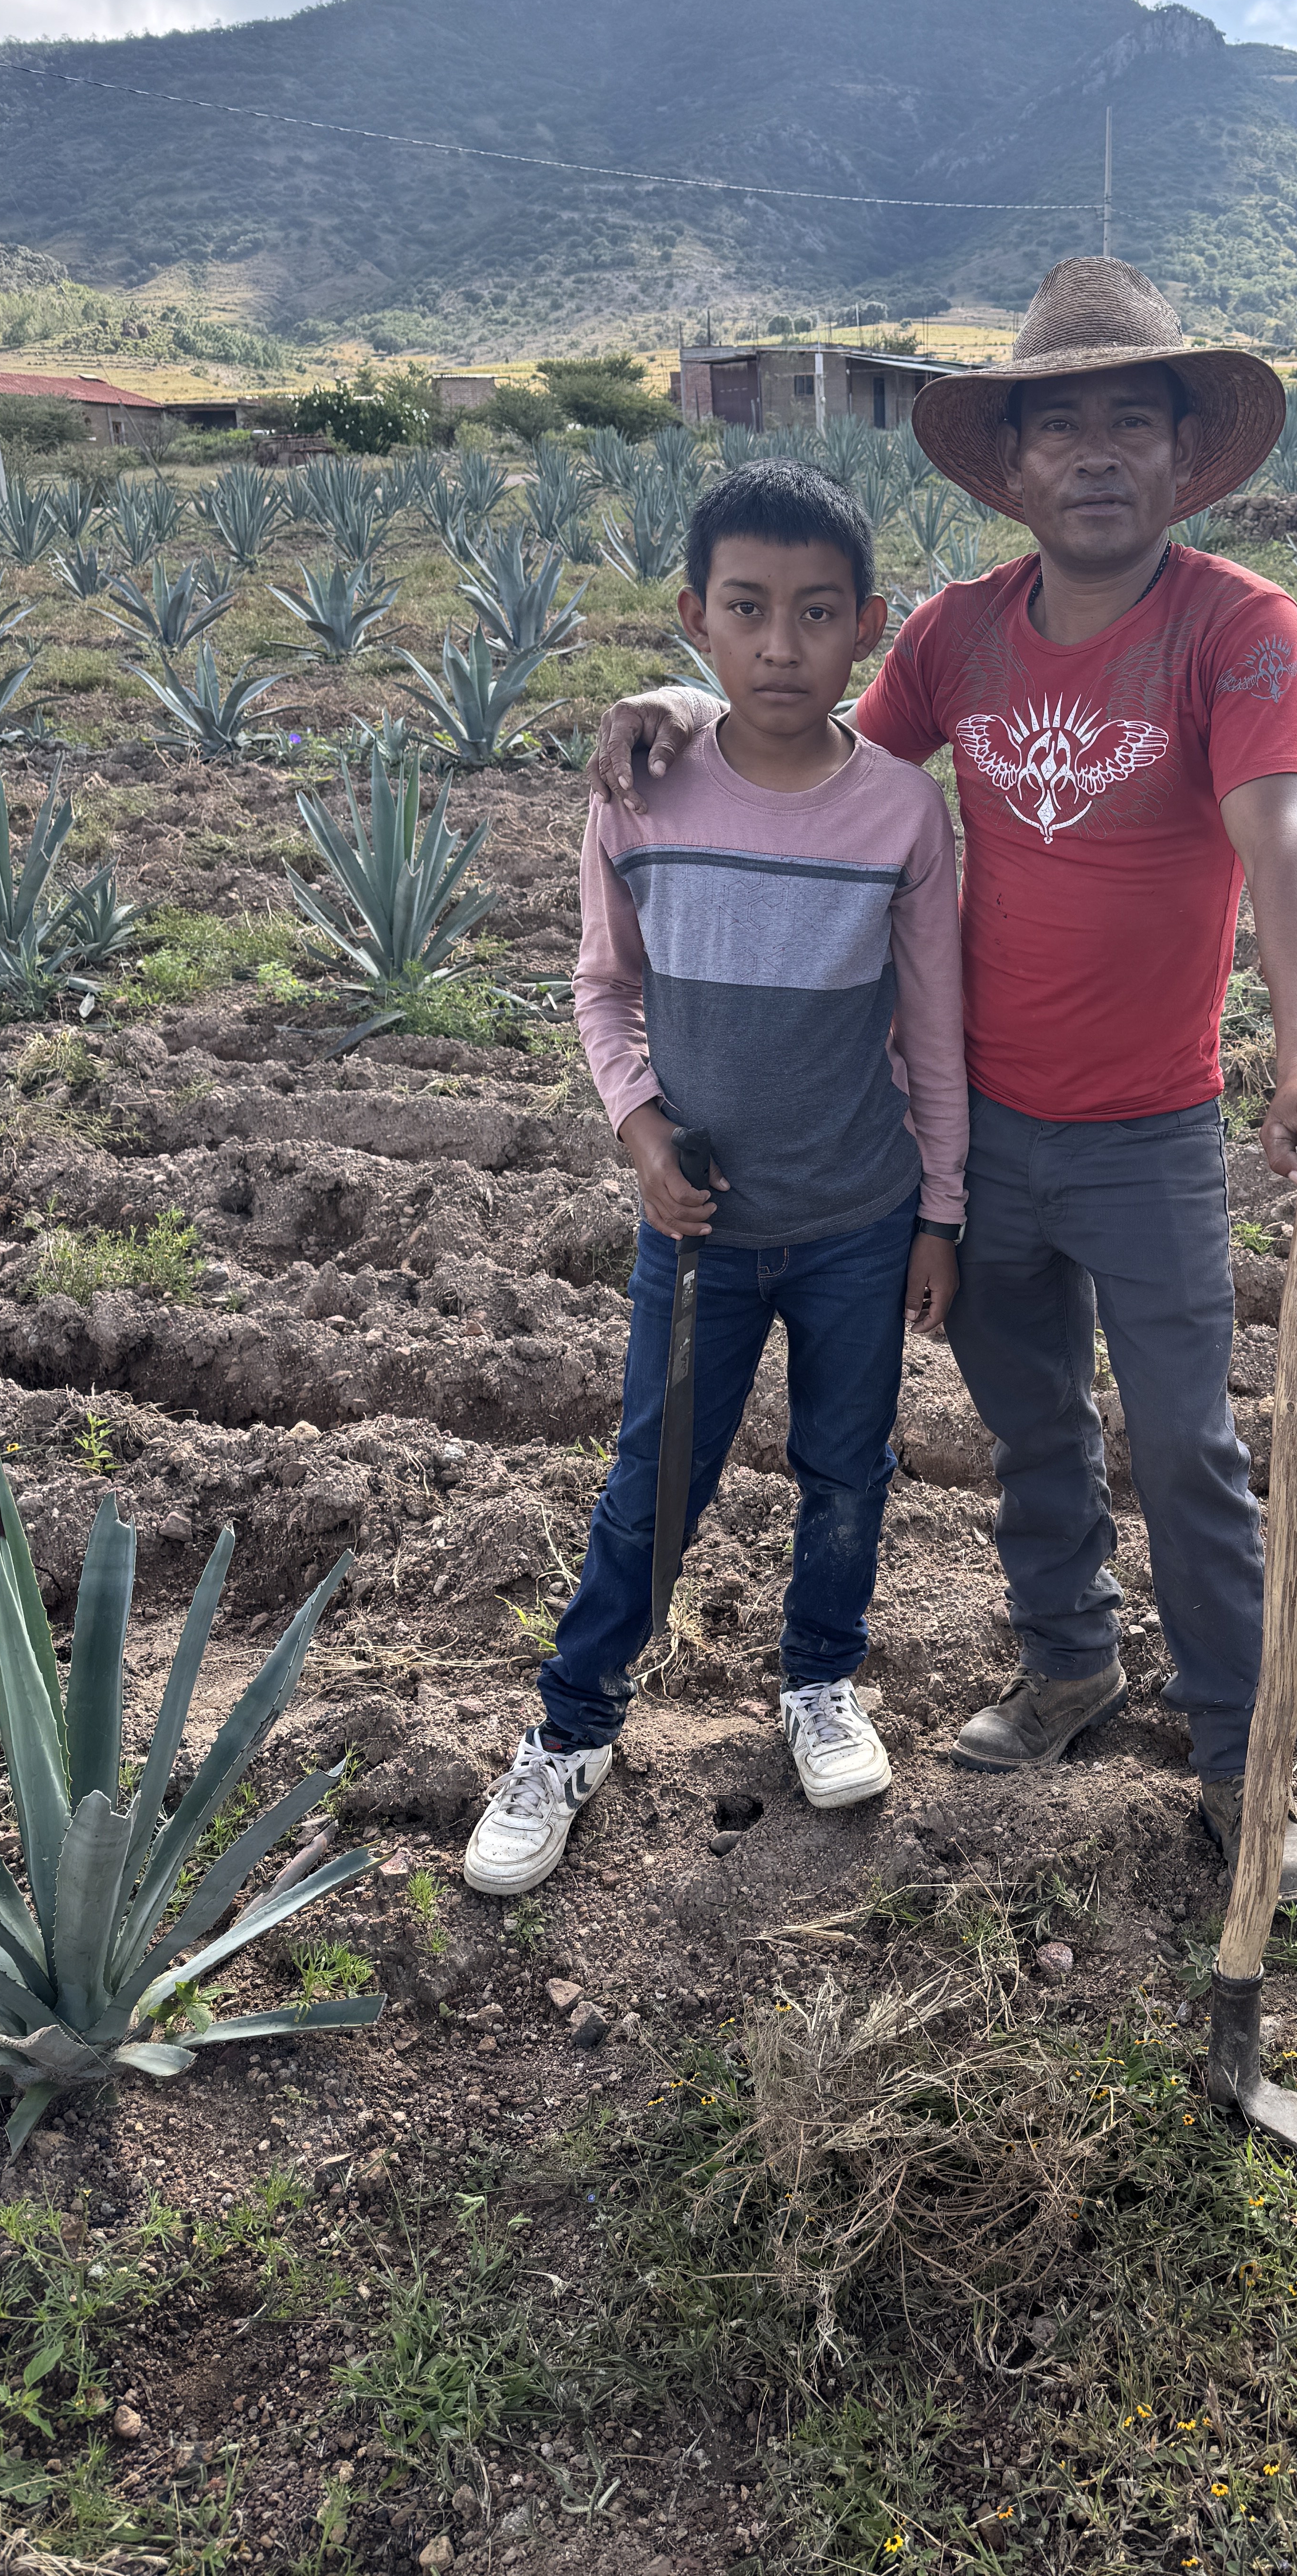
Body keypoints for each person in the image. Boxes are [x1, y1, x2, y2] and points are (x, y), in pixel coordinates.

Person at [589, 259, 1297, 1906]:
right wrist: (685, 699)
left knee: (1186, 1450)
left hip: (1153, 1130)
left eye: (1132, 422)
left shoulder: (1240, 632)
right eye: (1062, 426)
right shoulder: (958, 635)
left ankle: (1242, 1768)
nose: (1096, 456)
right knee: (1030, 1422)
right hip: (971, 1126)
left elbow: (1285, 840)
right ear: (1012, 466)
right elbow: (811, 744)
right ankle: (1069, 1663)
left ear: (1185, 456)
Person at [464, 460, 967, 1897]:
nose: (779, 647)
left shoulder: (901, 818)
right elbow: (604, 989)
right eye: (745, 611)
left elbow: (933, 1036)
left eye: (816, 615)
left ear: (867, 628)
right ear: (695, 616)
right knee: (653, 1486)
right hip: (698, 1234)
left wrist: (941, 1211)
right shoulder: (645, 791)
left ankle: (821, 1682)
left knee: (848, 1471)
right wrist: (638, 1135)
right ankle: (571, 1731)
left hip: (861, 1221)